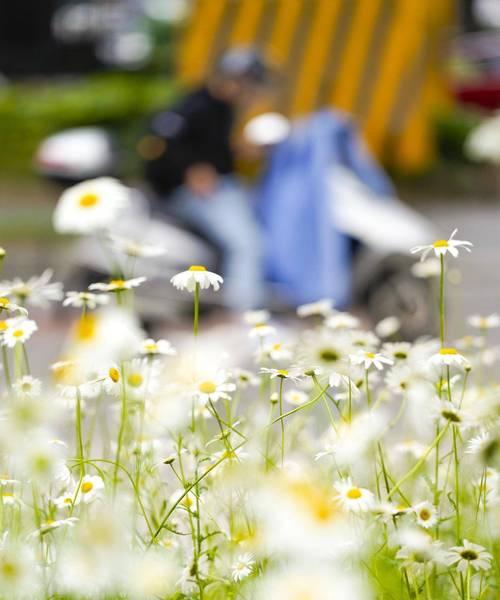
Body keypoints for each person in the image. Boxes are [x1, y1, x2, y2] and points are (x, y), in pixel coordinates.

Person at [143, 48, 269, 310]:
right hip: (192, 194)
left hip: (219, 187)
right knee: (247, 245)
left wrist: (237, 152)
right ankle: (244, 314)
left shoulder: (223, 109)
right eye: (251, 84)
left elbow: (208, 148)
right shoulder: (197, 105)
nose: (252, 92)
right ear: (236, 79)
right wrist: (191, 170)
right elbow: (163, 144)